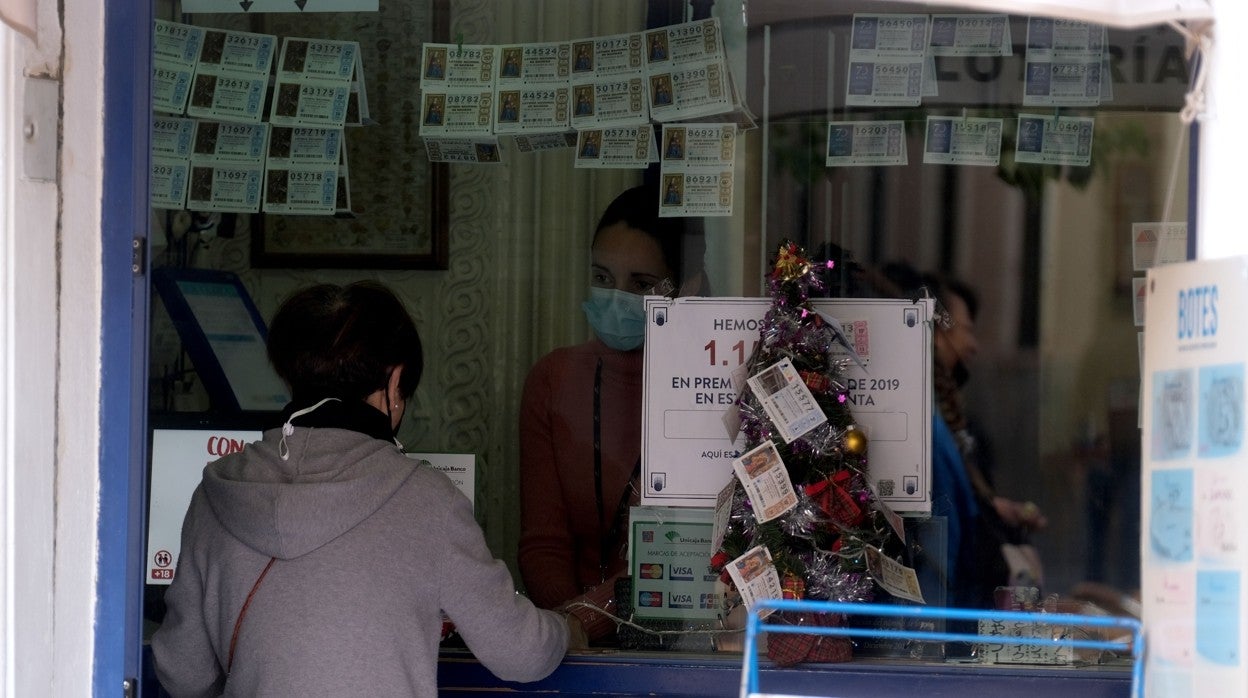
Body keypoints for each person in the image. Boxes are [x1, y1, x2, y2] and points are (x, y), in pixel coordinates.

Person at [152, 282, 570, 696]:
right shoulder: (428, 500)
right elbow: (521, 653)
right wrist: (568, 627)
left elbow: (184, 672)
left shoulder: (215, 494)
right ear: (395, 382)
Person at [519, 183, 706, 644]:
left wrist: (581, 623)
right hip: (568, 645)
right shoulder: (553, 379)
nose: (616, 298)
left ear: (686, 287)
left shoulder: (711, 388)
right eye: (602, 278)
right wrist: (568, 628)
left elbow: (686, 556)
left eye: (640, 285)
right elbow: (544, 542)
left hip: (684, 641)